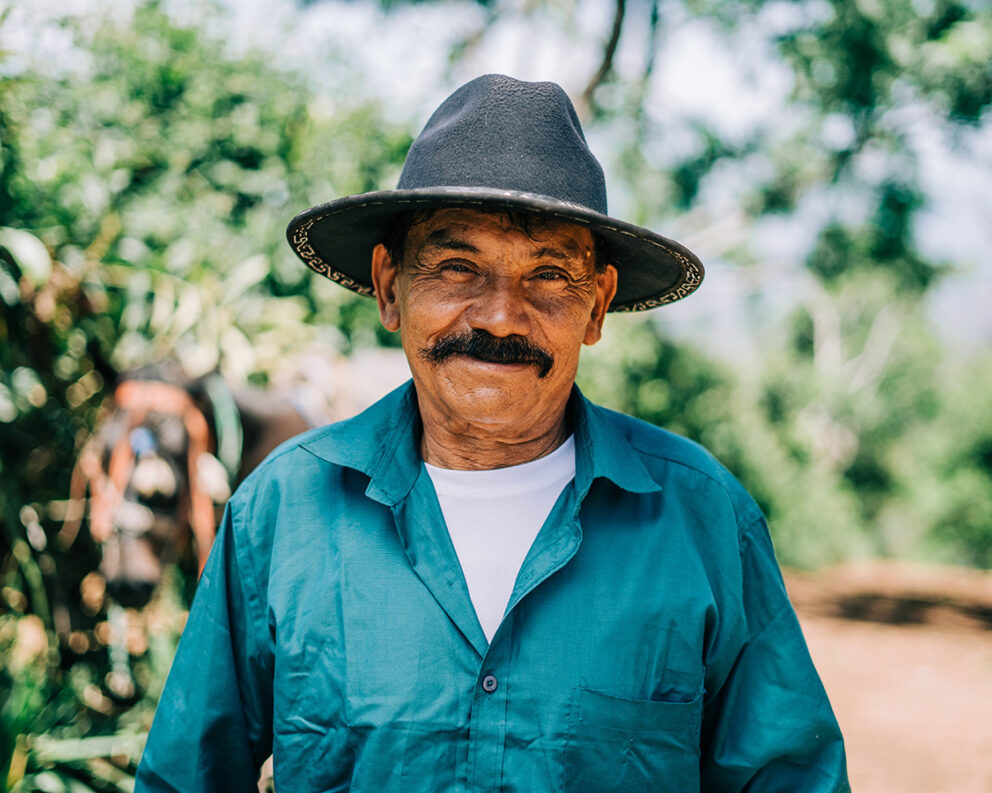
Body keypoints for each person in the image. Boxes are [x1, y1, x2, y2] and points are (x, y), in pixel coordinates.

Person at [136, 74, 849, 792]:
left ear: (597, 307)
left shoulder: (702, 519)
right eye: (457, 266)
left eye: (547, 275)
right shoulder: (283, 512)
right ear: (390, 287)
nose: (501, 316)